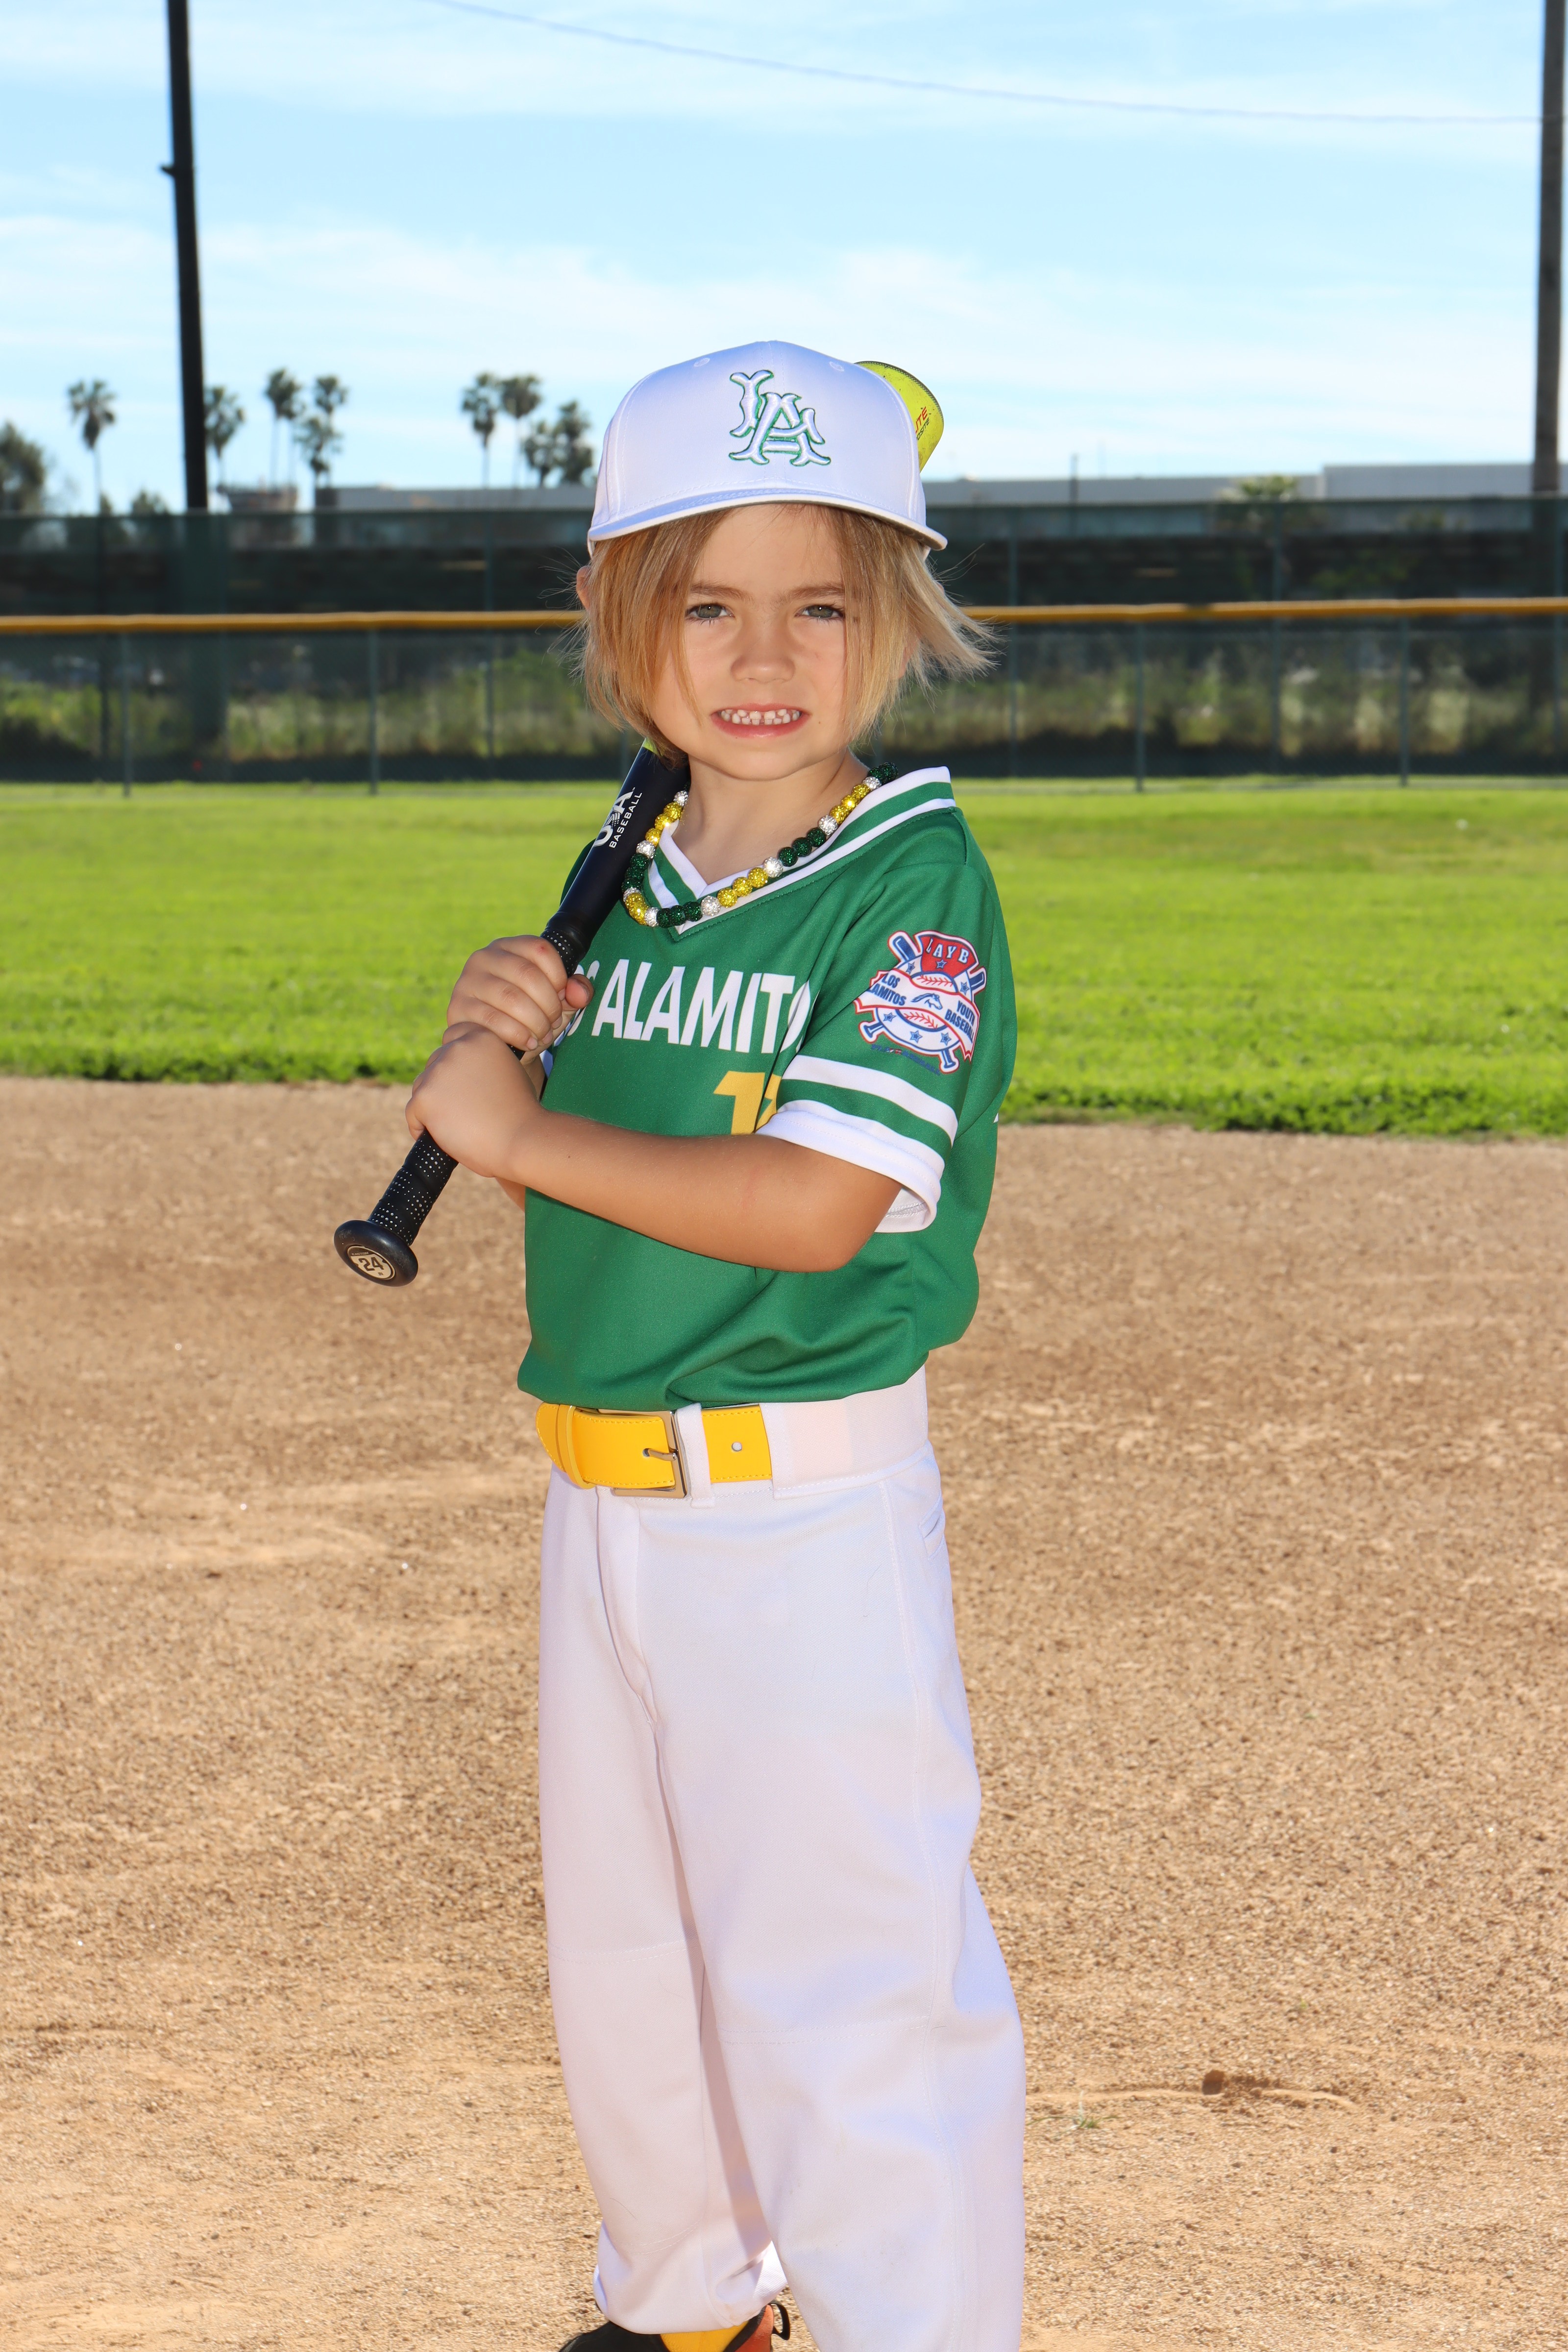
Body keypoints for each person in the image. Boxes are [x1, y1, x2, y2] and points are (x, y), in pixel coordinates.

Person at [406, 342, 1026, 2352]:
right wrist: (515, 1031)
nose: (763, 657)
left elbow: (814, 1203)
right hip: (603, 1501)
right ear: (621, 623)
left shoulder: (910, 890)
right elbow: (622, 1131)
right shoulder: (648, 888)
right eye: (705, 606)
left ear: (894, 620)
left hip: (797, 1522)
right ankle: (691, 2308)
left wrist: (514, 1137)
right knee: (632, 1961)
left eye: (820, 605)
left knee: (847, 1994)